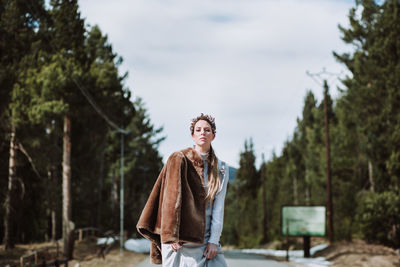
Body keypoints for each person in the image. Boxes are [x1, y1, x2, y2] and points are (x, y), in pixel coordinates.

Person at [137, 113, 229, 266]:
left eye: (207, 130)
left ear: (213, 135)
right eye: (198, 130)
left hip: (206, 240)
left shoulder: (221, 168)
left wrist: (214, 241)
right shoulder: (179, 159)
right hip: (179, 240)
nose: (202, 133)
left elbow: (218, 208)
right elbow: (170, 200)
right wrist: (171, 236)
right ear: (192, 135)